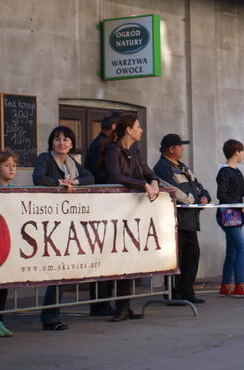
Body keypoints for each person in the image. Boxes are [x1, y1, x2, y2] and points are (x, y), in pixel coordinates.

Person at [33, 126, 95, 331]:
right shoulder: (45, 158)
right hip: (48, 219)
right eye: (57, 139)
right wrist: (59, 182)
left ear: (72, 143)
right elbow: (38, 178)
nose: (62, 143)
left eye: (66, 139)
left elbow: (90, 178)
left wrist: (74, 182)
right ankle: (50, 317)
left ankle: (52, 315)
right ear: (51, 142)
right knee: (55, 268)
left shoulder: (71, 162)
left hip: (67, 219)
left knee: (61, 268)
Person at [105, 114, 160, 321]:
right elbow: (116, 176)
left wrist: (153, 181)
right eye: (138, 126)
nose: (141, 129)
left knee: (130, 256)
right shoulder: (113, 150)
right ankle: (118, 306)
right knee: (119, 256)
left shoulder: (135, 151)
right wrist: (142, 184)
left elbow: (147, 171)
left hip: (134, 211)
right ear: (129, 129)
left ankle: (125, 306)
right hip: (116, 209)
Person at [154, 134, 211, 304]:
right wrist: (194, 200)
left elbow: (198, 185)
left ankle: (187, 292)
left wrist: (205, 196)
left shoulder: (182, 167)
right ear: (171, 149)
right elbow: (174, 191)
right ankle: (174, 293)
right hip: (175, 221)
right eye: (180, 146)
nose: (182, 149)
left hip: (190, 220)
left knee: (192, 257)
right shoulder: (162, 168)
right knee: (176, 259)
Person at [85, 111, 122, 316]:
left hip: (105, 204)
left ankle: (104, 301)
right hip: (101, 205)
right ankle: (100, 304)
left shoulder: (104, 144)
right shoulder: (101, 145)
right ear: (115, 127)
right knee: (102, 254)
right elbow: (102, 175)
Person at [216, 139, 244, 298]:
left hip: (234, 215)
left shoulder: (237, 171)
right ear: (236, 152)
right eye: (242, 151)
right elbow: (221, 195)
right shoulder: (224, 172)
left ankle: (225, 286)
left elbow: (243, 192)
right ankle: (239, 286)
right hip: (228, 215)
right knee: (242, 249)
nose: (243, 154)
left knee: (232, 251)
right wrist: (239, 207)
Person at [0, 149, 18, 337]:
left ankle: (1, 320)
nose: (11, 169)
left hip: (6, 240)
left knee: (4, 285)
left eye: (14, 165)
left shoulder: (15, 189)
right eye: (7, 165)